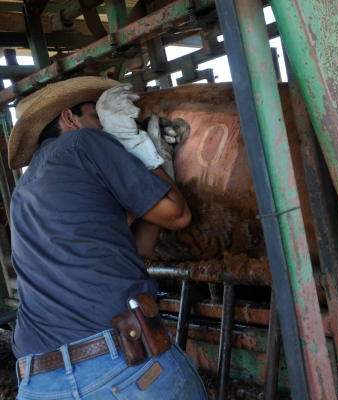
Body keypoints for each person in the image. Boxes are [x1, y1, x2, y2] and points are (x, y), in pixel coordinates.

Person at [7, 76, 208, 399]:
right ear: (68, 118)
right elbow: (178, 215)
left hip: (38, 381)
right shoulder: (84, 143)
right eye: (96, 115)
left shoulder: (24, 189)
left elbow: (139, 248)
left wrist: (153, 175)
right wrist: (137, 144)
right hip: (114, 364)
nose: (104, 128)